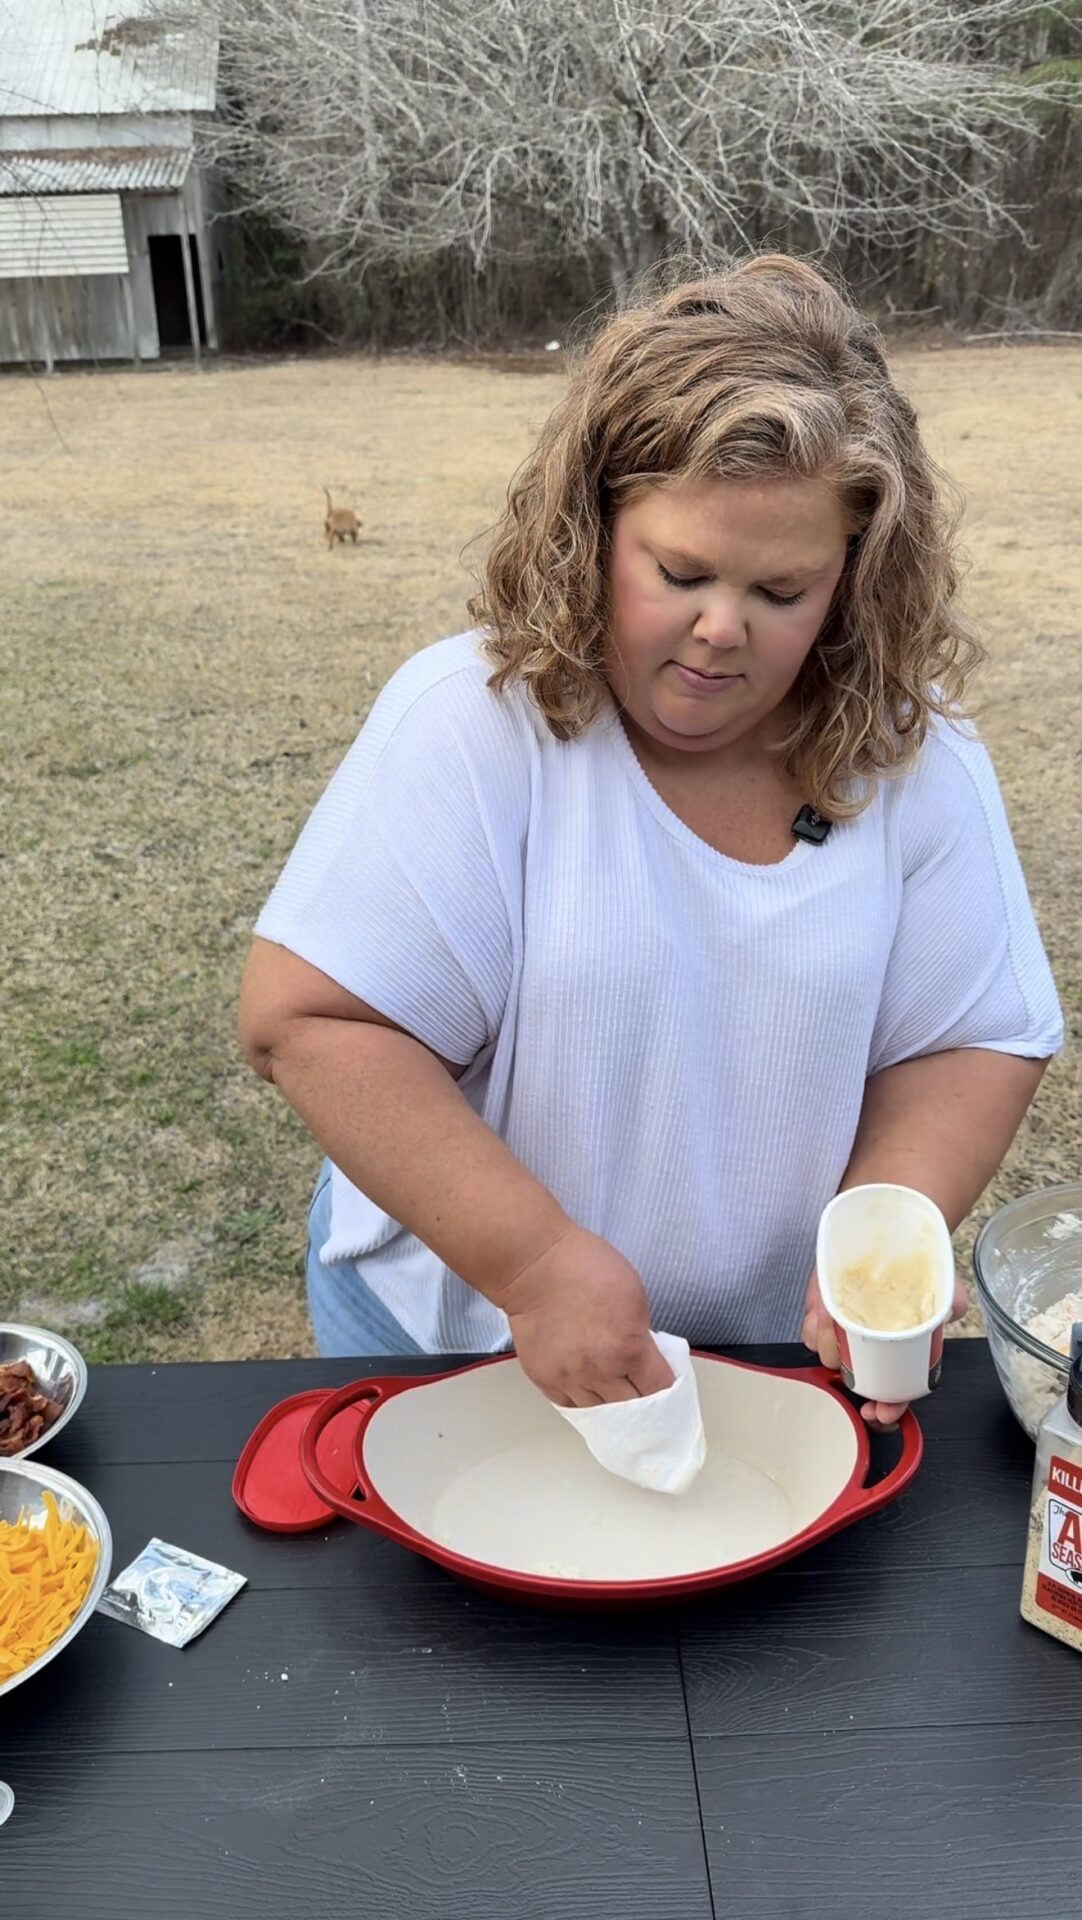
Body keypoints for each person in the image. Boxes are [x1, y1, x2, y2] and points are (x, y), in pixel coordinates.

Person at [238, 255, 1062, 1432]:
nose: (720, 630)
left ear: (855, 576)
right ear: (593, 525)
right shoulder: (476, 722)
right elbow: (309, 1018)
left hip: (763, 1349)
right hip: (456, 1326)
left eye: (782, 590)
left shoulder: (912, 754)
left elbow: (971, 1031)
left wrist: (887, 1227)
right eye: (677, 572)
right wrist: (528, 1264)